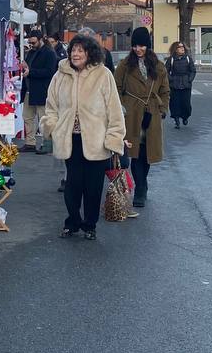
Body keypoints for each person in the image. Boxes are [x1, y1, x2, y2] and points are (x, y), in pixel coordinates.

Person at [41, 34, 126, 239]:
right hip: (71, 139)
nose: (75, 54)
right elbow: (51, 106)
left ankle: (90, 224)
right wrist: (52, 127)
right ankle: (73, 221)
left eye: (80, 50)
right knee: (72, 185)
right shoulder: (60, 75)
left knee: (93, 187)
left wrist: (114, 136)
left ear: (89, 53)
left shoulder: (103, 75)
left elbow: (114, 109)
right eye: (73, 50)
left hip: (97, 140)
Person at [115, 27, 169, 209]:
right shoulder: (125, 65)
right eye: (135, 46)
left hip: (152, 113)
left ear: (148, 46)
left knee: (147, 153)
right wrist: (123, 106)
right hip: (132, 113)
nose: (138, 49)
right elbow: (116, 88)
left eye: (141, 46)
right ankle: (140, 189)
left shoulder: (158, 66)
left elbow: (165, 90)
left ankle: (142, 184)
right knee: (135, 152)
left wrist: (162, 109)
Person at [21, 32, 57, 151]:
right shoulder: (31, 52)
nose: (31, 45)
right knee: (27, 117)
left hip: (42, 90)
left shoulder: (49, 53)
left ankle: (47, 144)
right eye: (30, 42)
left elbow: (49, 72)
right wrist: (25, 68)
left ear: (41, 40)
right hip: (29, 90)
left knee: (44, 118)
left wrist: (30, 72)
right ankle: (30, 142)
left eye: (33, 42)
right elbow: (29, 69)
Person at [165, 41, 196, 127]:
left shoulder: (188, 58)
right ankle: (176, 119)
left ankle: (185, 117)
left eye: (183, 47)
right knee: (174, 103)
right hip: (174, 85)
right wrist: (171, 79)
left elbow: (193, 70)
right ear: (175, 49)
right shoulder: (171, 59)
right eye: (179, 47)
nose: (182, 48)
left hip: (186, 85)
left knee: (186, 103)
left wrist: (189, 79)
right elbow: (165, 71)